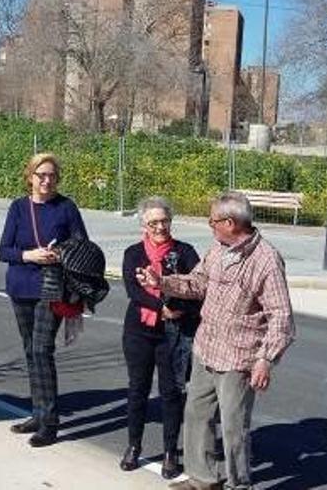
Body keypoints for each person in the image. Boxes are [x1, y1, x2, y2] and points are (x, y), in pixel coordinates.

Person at [136, 191, 295, 490]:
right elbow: (197, 283)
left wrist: (265, 360)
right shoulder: (218, 249)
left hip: (239, 357)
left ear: (231, 223)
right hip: (206, 348)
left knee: (234, 426)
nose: (210, 226)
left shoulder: (266, 260)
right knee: (196, 414)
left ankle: (239, 483)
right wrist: (162, 282)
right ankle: (202, 480)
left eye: (213, 221)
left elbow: (281, 317)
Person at [0, 153, 87, 447]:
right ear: (30, 177)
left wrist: (60, 253)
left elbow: (82, 246)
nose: (47, 181)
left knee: (41, 350)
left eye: (52, 176)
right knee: (29, 350)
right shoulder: (18, 208)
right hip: (21, 286)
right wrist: (28, 255)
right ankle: (37, 412)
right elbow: (4, 250)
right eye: (41, 175)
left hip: (52, 287)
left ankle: (49, 421)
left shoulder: (66, 207)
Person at [120, 197, 201, 479]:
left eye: (164, 221)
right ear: (144, 224)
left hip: (173, 333)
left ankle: (169, 452)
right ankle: (133, 446)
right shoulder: (133, 254)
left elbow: (196, 288)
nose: (160, 227)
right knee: (137, 389)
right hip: (139, 331)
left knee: (171, 393)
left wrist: (176, 310)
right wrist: (160, 308)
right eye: (153, 222)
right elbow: (133, 291)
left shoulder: (185, 252)